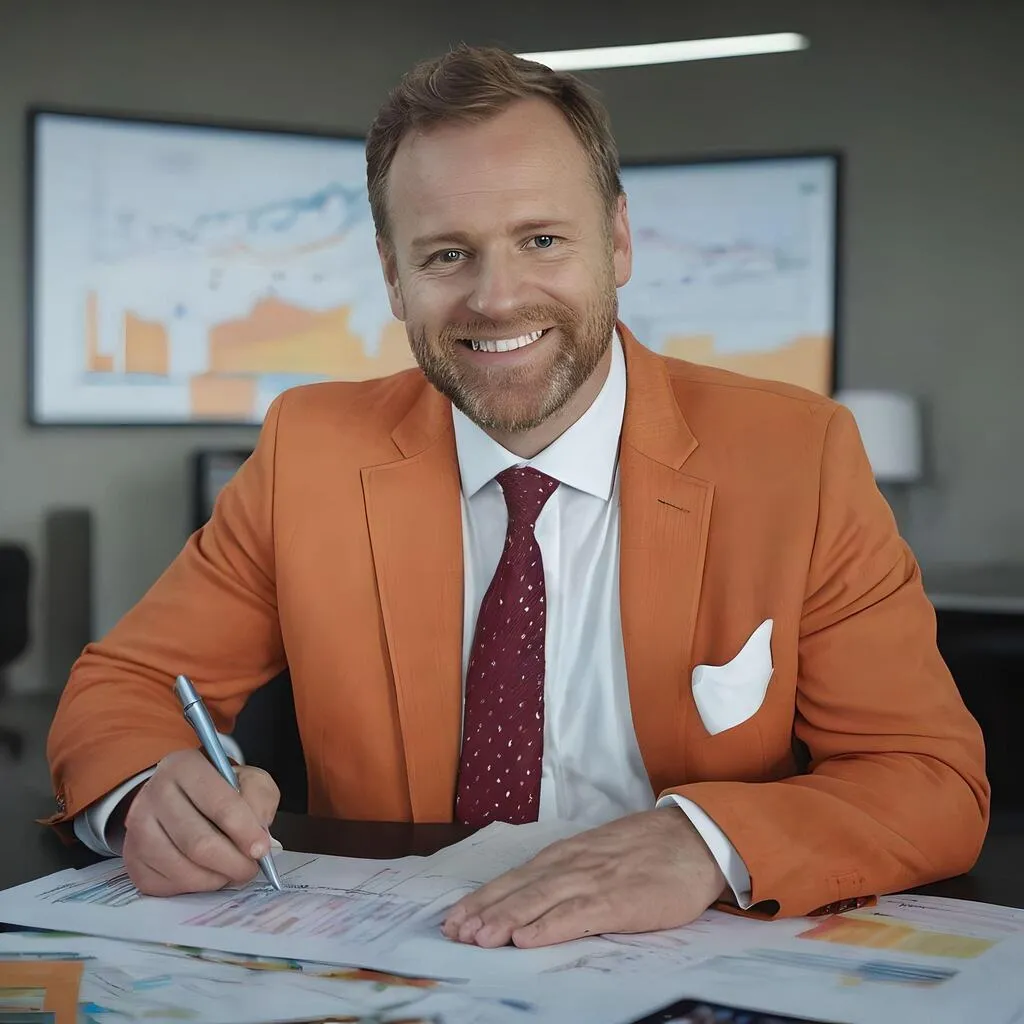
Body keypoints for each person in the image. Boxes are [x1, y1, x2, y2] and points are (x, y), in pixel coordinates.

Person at [45, 44, 988, 951]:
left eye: (541, 239)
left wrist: (704, 844)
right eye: (445, 255)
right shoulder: (311, 450)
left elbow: (929, 777)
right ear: (393, 277)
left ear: (617, 240)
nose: (496, 299)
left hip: (684, 950)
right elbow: (127, 686)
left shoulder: (797, 454)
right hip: (400, 955)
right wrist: (147, 793)